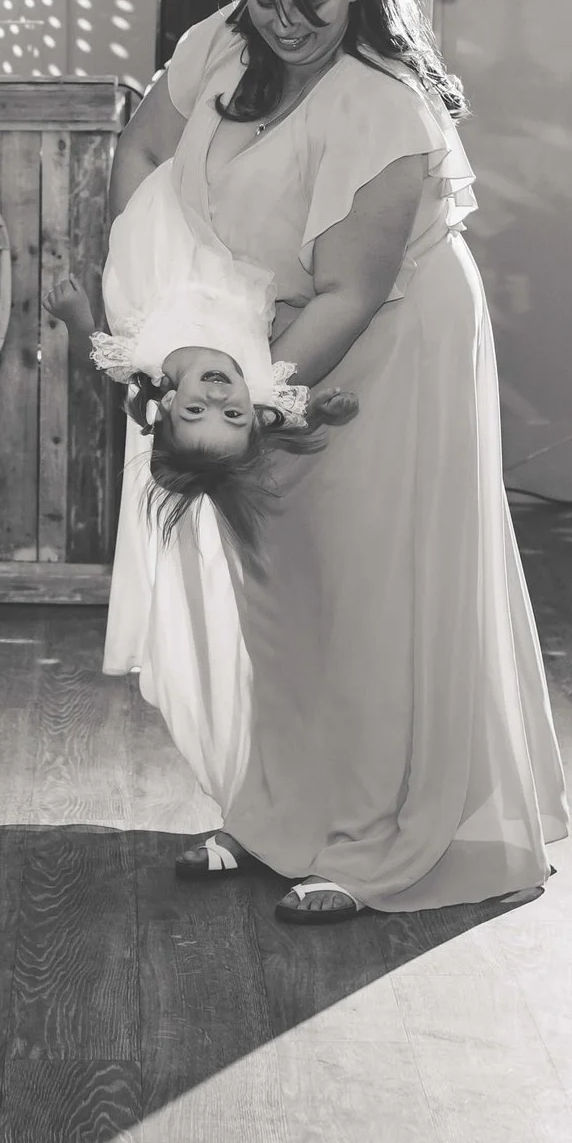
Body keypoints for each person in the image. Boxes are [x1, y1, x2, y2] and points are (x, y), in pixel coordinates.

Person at [112, 0, 569, 924]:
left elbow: (350, 293)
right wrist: (152, 315)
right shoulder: (222, 43)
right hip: (258, 340)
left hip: (385, 344)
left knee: (368, 596)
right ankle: (281, 815)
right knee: (282, 596)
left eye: (307, 2)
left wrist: (243, 403)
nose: (284, 23)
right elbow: (141, 148)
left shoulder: (380, 103)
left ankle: (375, 840)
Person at [40, 167, 356, 808]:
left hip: (156, 248)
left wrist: (75, 316)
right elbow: (293, 416)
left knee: (167, 172)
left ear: (167, 407)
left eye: (196, 411)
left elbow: (93, 357)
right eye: (232, 414)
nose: (217, 397)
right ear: (253, 414)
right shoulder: (264, 384)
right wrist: (324, 410)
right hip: (233, 249)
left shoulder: (145, 369)